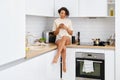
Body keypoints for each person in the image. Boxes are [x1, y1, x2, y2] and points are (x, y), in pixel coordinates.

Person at [52, 7, 73, 72]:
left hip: (67, 39)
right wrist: (58, 27)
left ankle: (57, 55)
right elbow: (55, 33)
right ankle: (64, 63)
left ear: (66, 14)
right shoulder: (56, 21)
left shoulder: (69, 21)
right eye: (61, 13)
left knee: (64, 37)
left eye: (63, 13)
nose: (61, 14)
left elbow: (71, 33)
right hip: (59, 39)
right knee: (63, 47)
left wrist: (66, 28)